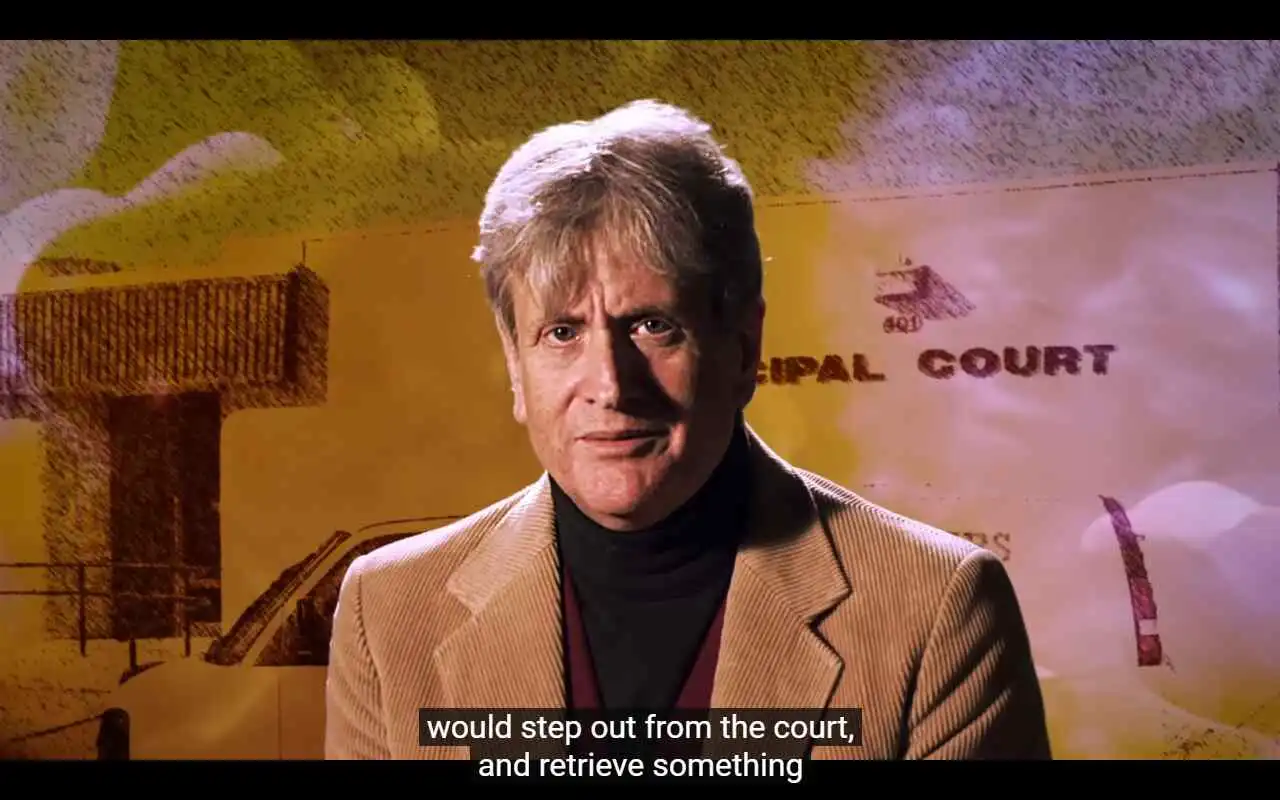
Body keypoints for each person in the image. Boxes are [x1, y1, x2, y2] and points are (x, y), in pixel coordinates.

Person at [324, 99, 1051, 761]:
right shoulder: (388, 613)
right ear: (515, 364)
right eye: (562, 332)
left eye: (652, 325)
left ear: (741, 347)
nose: (611, 386)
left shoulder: (937, 611)